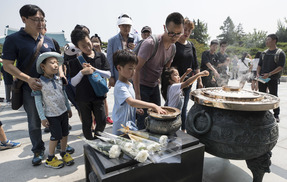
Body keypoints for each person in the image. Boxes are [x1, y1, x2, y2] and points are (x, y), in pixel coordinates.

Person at [2, 4, 56, 166]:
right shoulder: (13, 40)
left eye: (42, 20)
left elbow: (56, 61)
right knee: (34, 121)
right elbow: (7, 65)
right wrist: (28, 79)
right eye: (35, 20)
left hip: (52, 89)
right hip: (29, 89)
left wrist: (60, 75)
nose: (40, 23)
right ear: (24, 19)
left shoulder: (48, 40)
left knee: (57, 116)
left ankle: (59, 144)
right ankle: (38, 150)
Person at [133, 12, 184, 130]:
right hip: (141, 86)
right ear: (164, 28)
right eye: (171, 33)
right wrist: (137, 95)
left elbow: (165, 71)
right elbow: (136, 69)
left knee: (157, 118)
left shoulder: (173, 48)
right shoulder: (150, 44)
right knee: (143, 121)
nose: (175, 37)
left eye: (178, 34)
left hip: (154, 86)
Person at [32, 52, 74, 169]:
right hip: (51, 115)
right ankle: (50, 158)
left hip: (63, 112)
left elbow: (64, 95)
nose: (56, 65)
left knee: (65, 134)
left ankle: (63, 152)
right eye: (52, 63)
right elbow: (38, 102)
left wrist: (69, 108)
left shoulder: (59, 80)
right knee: (55, 136)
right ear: (43, 66)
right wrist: (42, 117)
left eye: (56, 63)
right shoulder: (39, 83)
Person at [112, 50, 166, 135]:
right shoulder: (120, 86)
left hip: (128, 125)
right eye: (130, 68)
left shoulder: (129, 84)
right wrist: (153, 105)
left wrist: (135, 110)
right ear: (119, 68)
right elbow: (131, 102)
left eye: (134, 68)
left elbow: (127, 104)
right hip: (121, 127)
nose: (133, 71)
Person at [70, 28, 111, 140]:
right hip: (83, 97)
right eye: (83, 46)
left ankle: (97, 139)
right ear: (78, 47)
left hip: (98, 95)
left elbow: (108, 74)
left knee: (102, 120)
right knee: (87, 123)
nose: (88, 48)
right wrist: (82, 72)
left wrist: (94, 69)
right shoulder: (76, 61)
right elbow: (73, 82)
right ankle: (90, 142)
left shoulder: (100, 56)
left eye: (89, 43)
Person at [170, 18, 202, 132]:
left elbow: (196, 64)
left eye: (189, 30)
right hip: (174, 82)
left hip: (188, 82)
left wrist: (200, 81)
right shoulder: (174, 44)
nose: (187, 32)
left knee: (184, 107)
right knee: (172, 106)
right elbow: (168, 63)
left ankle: (183, 130)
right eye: (185, 29)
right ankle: (170, 128)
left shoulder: (191, 45)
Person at [257, 34, 286, 123]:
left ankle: (276, 114)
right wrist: (258, 73)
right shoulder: (264, 53)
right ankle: (262, 113)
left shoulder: (280, 53)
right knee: (261, 95)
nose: (266, 41)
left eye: (268, 40)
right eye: (266, 40)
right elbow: (259, 65)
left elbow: (280, 67)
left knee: (273, 95)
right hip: (262, 78)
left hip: (272, 78)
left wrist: (269, 74)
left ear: (274, 41)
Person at [107, 13, 140, 87]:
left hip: (133, 74)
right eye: (124, 26)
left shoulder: (137, 38)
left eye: (128, 26)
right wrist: (111, 76)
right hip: (119, 74)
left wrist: (134, 49)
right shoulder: (112, 41)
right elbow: (110, 59)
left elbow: (141, 56)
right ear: (119, 26)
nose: (126, 28)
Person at [91, 33, 113, 125]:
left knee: (104, 99)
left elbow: (107, 67)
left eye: (97, 41)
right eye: (93, 41)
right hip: (92, 80)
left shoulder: (103, 54)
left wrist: (99, 49)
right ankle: (94, 119)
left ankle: (106, 116)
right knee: (93, 101)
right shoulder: (88, 54)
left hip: (102, 80)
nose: (95, 43)